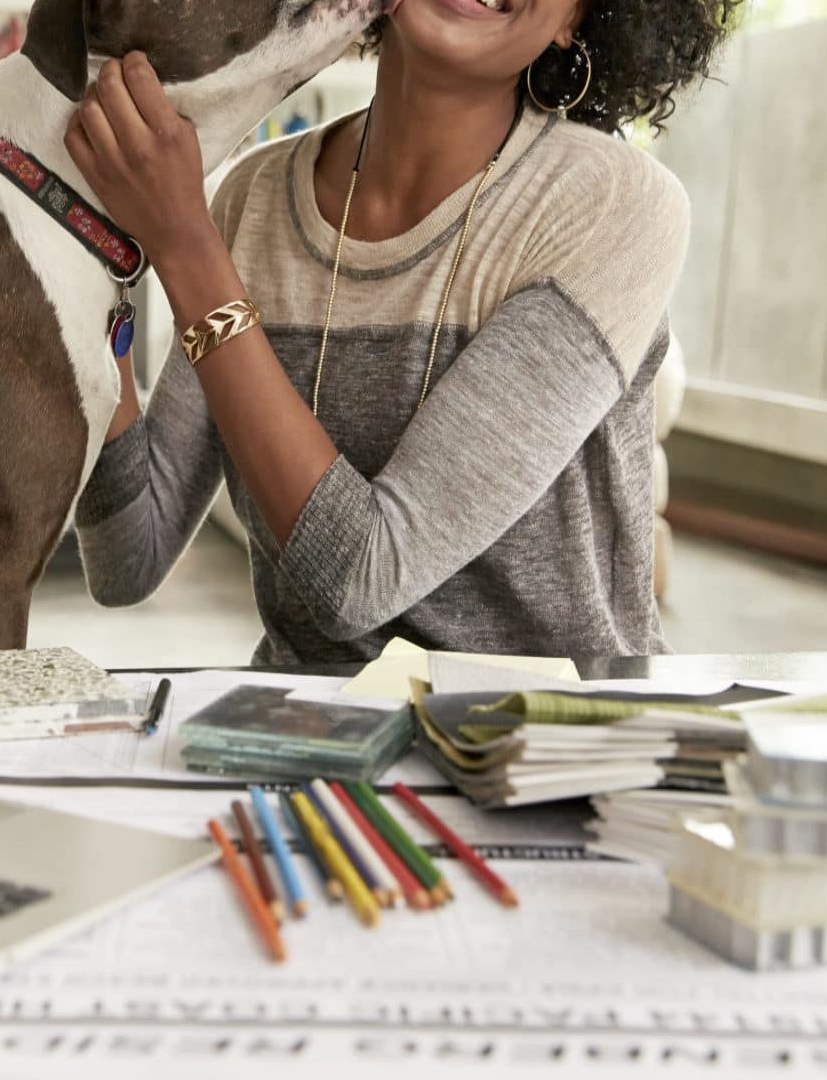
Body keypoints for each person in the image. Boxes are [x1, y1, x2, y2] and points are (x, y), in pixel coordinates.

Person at [65, 0, 740, 664]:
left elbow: (363, 577)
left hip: (539, 749)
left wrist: (185, 247)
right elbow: (129, 560)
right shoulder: (253, 199)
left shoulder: (612, 206)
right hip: (314, 741)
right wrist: (96, 250)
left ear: (577, 20)